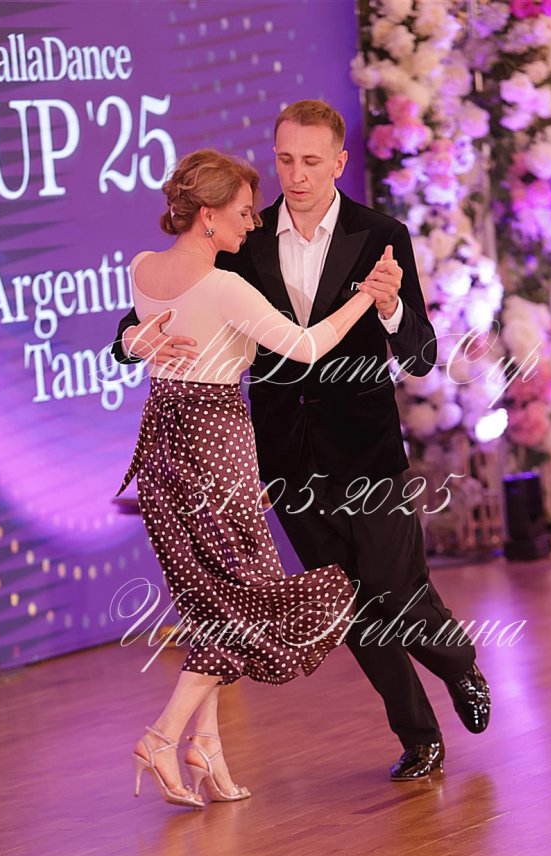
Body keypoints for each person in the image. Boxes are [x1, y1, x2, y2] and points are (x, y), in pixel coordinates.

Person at [113, 100, 491, 783]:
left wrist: (388, 305)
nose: (297, 174)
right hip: (284, 457)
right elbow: (156, 304)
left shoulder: (382, 235)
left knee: (396, 589)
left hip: (367, 450)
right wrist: (131, 339)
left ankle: (458, 662)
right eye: (285, 159)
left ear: (339, 162)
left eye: (311, 161)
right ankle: (418, 736)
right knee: (347, 604)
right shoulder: (246, 237)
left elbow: (422, 353)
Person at [119, 147, 383, 808]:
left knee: (212, 601)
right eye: (242, 212)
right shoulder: (223, 287)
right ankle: (162, 735)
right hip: (216, 444)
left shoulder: (142, 268)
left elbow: (139, 334)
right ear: (207, 215)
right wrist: (366, 298)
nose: (253, 223)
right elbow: (308, 346)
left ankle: (206, 746)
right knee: (253, 600)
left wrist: (131, 342)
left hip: (162, 448)